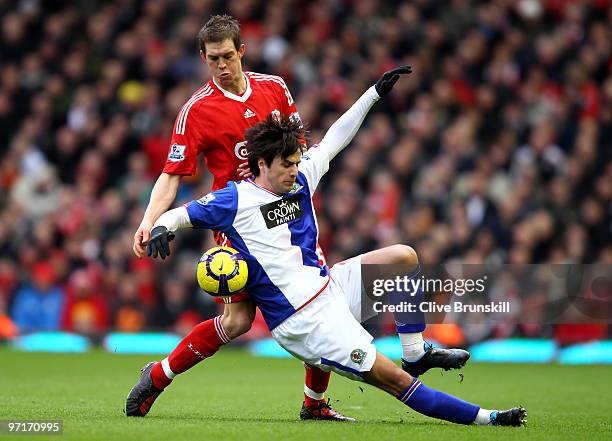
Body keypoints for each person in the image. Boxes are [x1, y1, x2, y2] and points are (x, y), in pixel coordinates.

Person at [141, 68, 527, 426]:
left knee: (403, 257)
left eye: (296, 162)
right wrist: (160, 227)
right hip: (305, 322)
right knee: (392, 380)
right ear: (260, 164)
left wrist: (373, 94)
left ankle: (415, 353)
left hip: (330, 288)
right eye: (287, 164)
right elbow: (182, 214)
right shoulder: (234, 200)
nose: (296, 169)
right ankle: (489, 418)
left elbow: (337, 137)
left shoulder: (300, 176)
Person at [127, 14, 351, 420]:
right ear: (203, 57)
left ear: (242, 51)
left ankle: (314, 404)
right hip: (237, 225)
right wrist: (149, 221)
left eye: (228, 56)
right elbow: (172, 173)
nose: (222, 67)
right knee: (238, 320)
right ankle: (158, 376)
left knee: (314, 301)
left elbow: (298, 148)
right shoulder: (196, 110)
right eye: (213, 59)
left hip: (285, 215)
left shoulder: (275, 88)